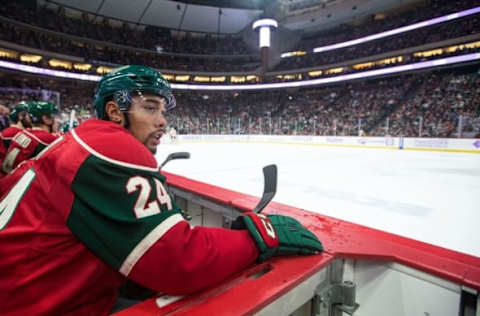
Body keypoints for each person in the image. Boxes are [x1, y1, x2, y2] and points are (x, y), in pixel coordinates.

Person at [0, 65, 323, 315]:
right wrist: (259, 235)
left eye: (163, 111)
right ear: (115, 112)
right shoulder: (109, 145)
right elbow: (179, 263)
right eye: (150, 108)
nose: (162, 121)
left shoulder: (77, 142)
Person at [2, 101, 59, 174]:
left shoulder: (23, 133)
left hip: (9, 178)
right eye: (53, 117)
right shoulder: (47, 139)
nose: (57, 122)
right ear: (46, 119)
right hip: (24, 182)